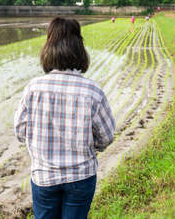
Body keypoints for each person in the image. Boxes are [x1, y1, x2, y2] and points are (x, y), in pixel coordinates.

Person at [14, 17, 115, 219]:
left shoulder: (33, 89)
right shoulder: (92, 91)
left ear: (48, 47)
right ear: (79, 48)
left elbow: (20, 131)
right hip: (81, 176)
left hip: (44, 176)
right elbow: (106, 137)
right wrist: (87, 145)